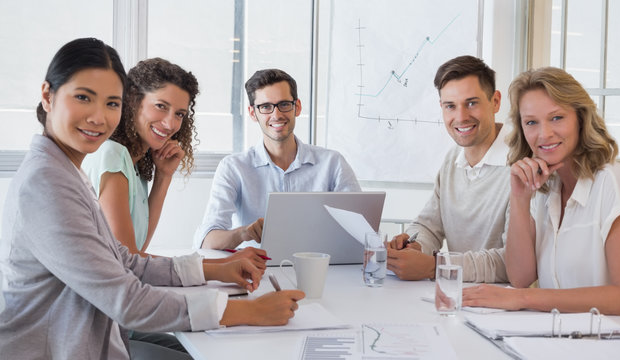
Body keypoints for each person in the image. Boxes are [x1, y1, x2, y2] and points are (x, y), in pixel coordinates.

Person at [0, 38, 304, 360]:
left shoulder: (66, 173)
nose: (98, 117)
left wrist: (214, 271)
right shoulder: (46, 184)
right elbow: (126, 300)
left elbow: (127, 261)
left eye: (111, 103)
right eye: (83, 98)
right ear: (48, 96)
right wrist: (248, 312)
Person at [462, 67, 620, 317]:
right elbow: (521, 276)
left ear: (580, 118)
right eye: (531, 122)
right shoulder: (545, 190)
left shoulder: (614, 183)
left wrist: (523, 298)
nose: (544, 134)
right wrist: (519, 198)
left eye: (557, 118)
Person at [82, 58, 266, 265]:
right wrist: (221, 265)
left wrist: (164, 176)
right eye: (161, 106)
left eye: (179, 114)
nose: (170, 123)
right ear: (134, 101)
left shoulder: (134, 166)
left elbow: (139, 247)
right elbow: (128, 259)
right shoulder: (112, 154)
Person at [194, 68, 361, 250]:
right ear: (252, 113)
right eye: (265, 107)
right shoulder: (233, 167)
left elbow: (361, 232)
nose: (276, 115)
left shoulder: (332, 163)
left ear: (297, 107)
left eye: (284, 104)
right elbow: (205, 242)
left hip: (319, 269)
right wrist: (243, 233)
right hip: (256, 272)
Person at [386, 55, 510, 283]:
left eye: (471, 103)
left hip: (509, 308)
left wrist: (437, 267)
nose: (461, 117)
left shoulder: (523, 164)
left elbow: (515, 264)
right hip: (459, 298)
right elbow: (429, 226)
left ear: (495, 102)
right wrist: (415, 246)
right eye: (450, 106)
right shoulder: (453, 158)